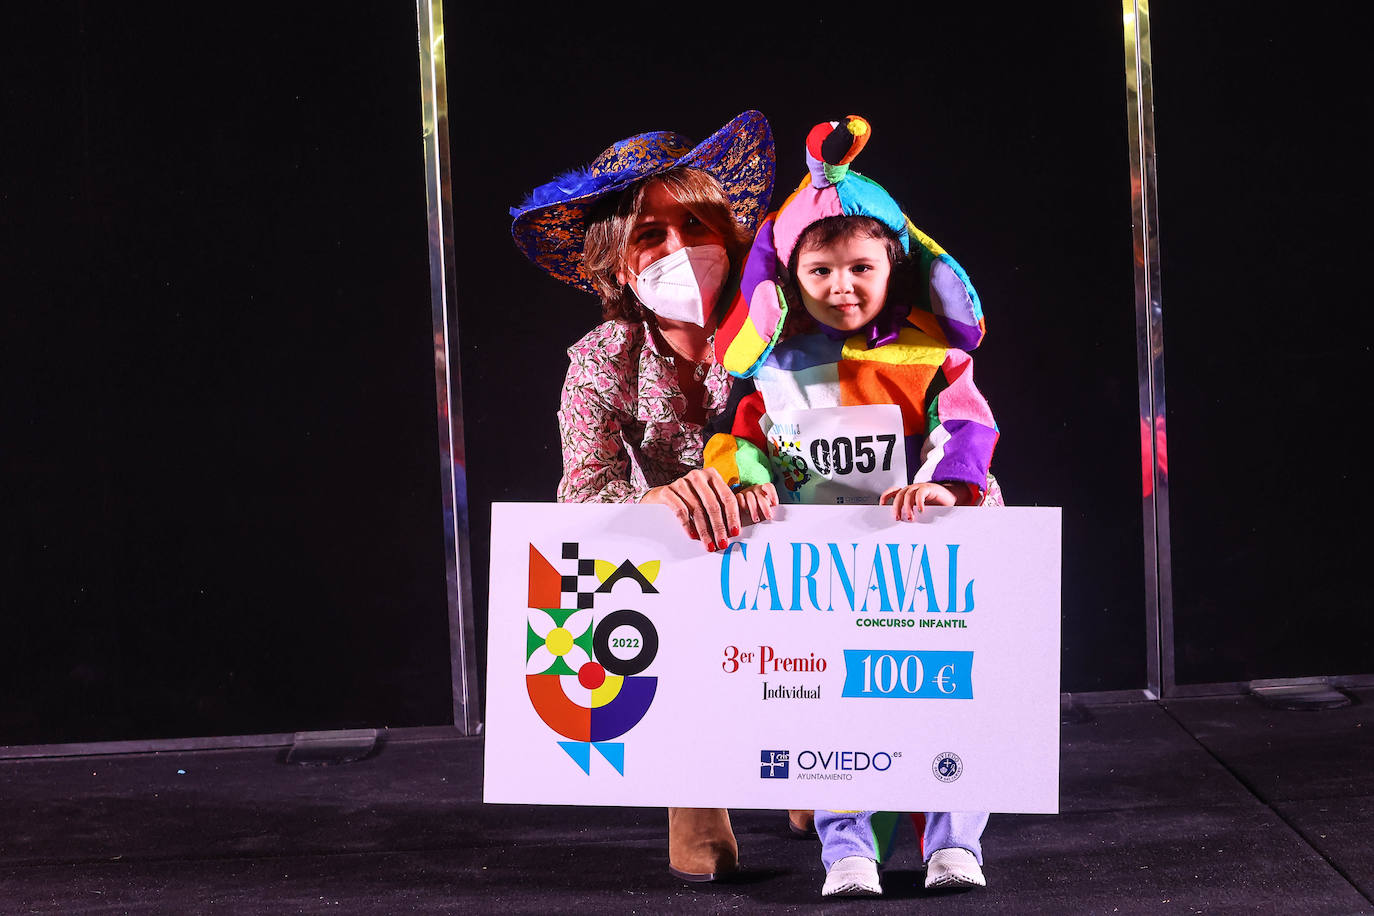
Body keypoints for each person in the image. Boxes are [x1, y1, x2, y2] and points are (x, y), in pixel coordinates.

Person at [509, 110, 814, 882]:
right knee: (644, 568)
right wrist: (662, 505)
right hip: (685, 573)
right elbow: (582, 497)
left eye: (698, 223)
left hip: (798, 553)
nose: (681, 247)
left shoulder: (796, 323)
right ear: (616, 267)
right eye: (651, 234)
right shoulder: (600, 363)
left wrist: (765, 483)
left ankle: (821, 752)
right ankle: (696, 787)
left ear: (733, 233)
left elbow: (858, 432)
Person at [705, 116, 1000, 897]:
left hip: (918, 561)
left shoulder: (931, 350)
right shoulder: (780, 366)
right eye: (822, 271)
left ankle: (953, 843)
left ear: (894, 263)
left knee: (939, 697)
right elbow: (740, 441)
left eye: (862, 267)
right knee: (833, 709)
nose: (843, 287)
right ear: (791, 279)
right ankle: (847, 851)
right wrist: (748, 480)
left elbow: (967, 424)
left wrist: (945, 485)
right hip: (822, 570)